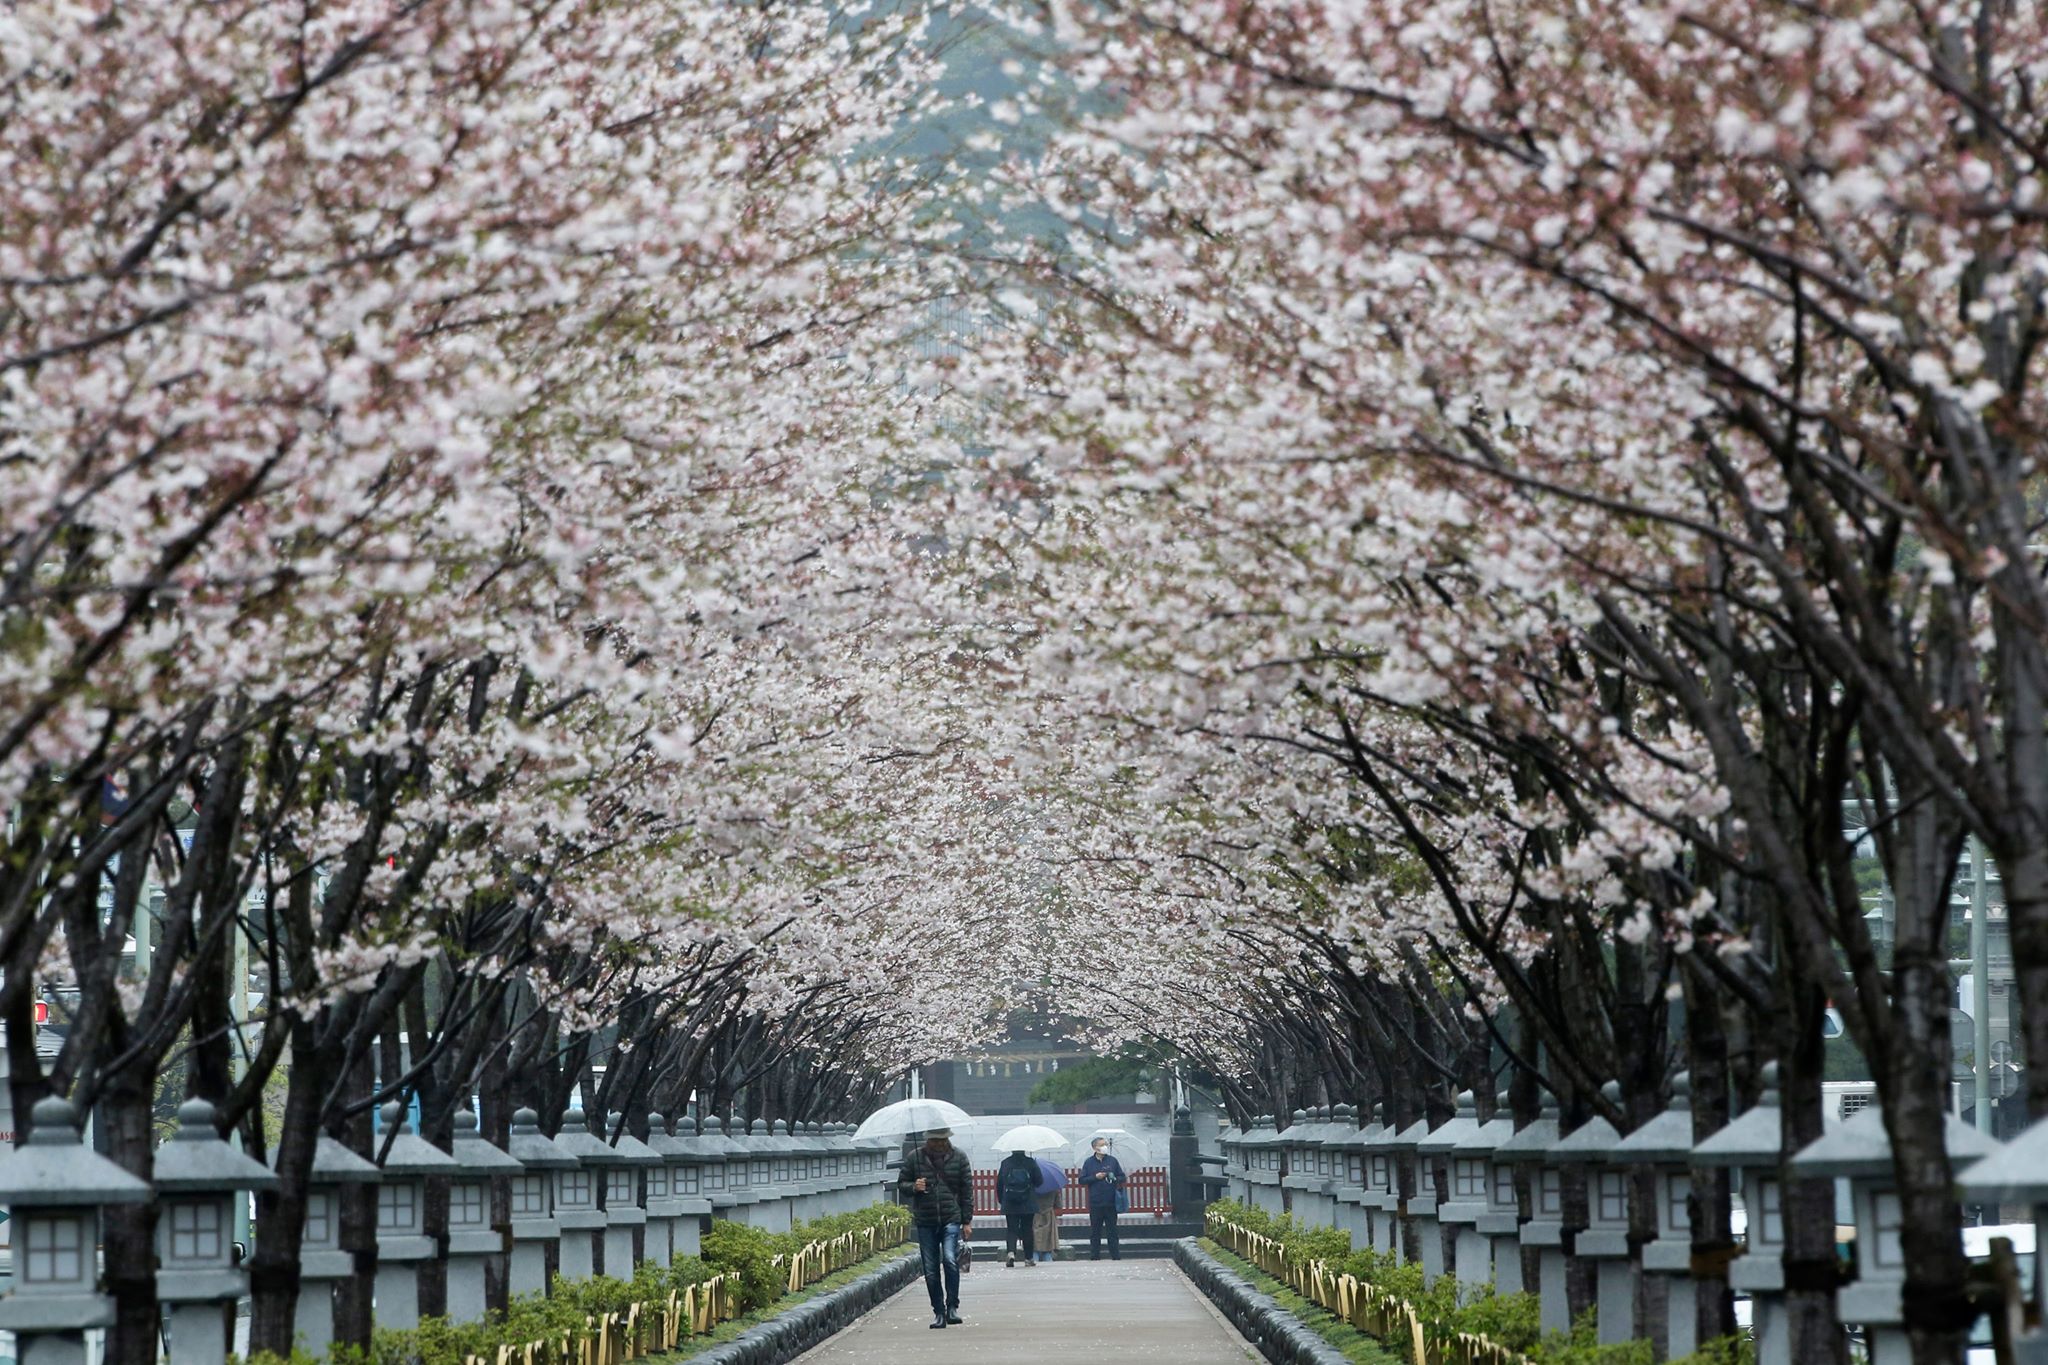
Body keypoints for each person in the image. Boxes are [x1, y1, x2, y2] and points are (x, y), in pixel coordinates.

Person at [897, 1126, 973, 1327]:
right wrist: (914, 1186)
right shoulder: (915, 1158)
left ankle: (952, 1307)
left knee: (949, 1260)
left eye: (942, 1140)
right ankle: (938, 1311)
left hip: (951, 1217)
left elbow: (967, 1190)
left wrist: (967, 1221)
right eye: (934, 1140)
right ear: (928, 1140)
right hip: (926, 1220)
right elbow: (901, 1184)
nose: (939, 1144)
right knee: (930, 1269)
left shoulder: (959, 1157)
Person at [1078, 1136, 1126, 1261]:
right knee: (1095, 1231)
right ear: (1095, 1148)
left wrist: (1114, 1177)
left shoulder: (1112, 1161)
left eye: (1105, 1144)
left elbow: (1122, 1177)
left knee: (1113, 1231)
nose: (1105, 1147)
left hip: (1111, 1201)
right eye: (1102, 1145)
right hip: (1096, 1202)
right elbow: (1082, 1180)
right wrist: (1095, 1177)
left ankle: (1115, 1255)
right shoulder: (1089, 1162)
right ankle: (1095, 1256)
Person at [997, 1147, 1040, 1266]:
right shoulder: (1030, 1162)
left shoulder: (1005, 1163)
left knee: (1011, 1228)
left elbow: (1000, 1183)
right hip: (1028, 1201)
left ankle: (1011, 1252)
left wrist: (1002, 1200)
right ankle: (1028, 1258)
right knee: (1027, 1229)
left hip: (1010, 1201)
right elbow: (1039, 1181)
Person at [1032, 1156, 1064, 1263]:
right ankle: (1047, 1259)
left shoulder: (1031, 1186)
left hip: (1034, 1215)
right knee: (1048, 1241)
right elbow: (1058, 1205)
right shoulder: (1053, 1187)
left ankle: (1034, 1258)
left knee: (1035, 1242)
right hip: (1049, 1215)